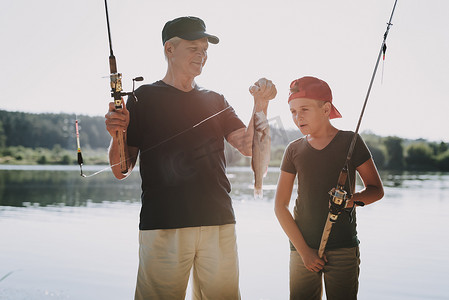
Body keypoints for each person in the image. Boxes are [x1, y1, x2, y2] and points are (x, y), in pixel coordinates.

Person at [105, 16, 276, 300]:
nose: (202, 55)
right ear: (169, 49)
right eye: (194, 48)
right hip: (163, 225)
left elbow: (248, 146)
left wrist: (261, 104)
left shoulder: (216, 99)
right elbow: (121, 169)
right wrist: (116, 135)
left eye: (205, 49)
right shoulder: (141, 98)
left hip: (218, 221)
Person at [274, 76, 384, 300]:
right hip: (301, 250)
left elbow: (376, 190)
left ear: (326, 109)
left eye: (304, 109)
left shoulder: (351, 141)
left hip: (343, 248)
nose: (298, 117)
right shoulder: (293, 150)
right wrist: (305, 252)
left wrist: (350, 200)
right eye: (293, 111)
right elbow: (280, 206)